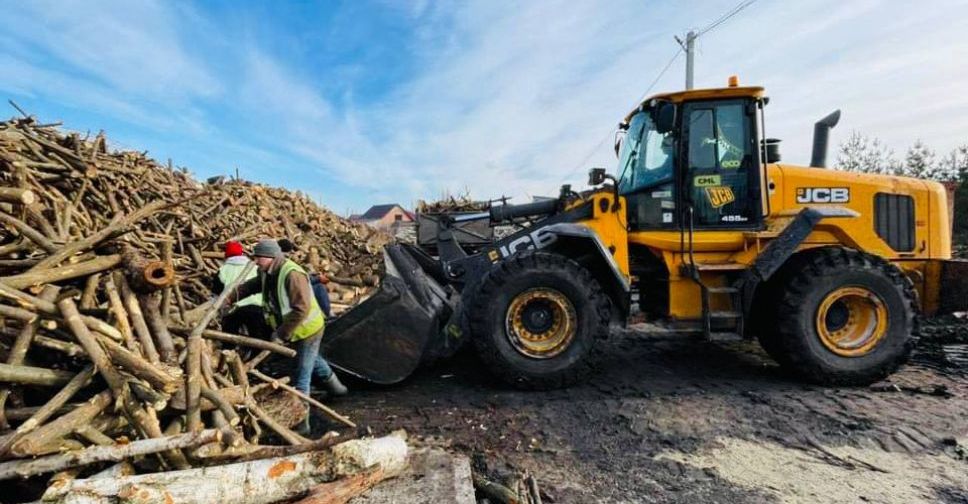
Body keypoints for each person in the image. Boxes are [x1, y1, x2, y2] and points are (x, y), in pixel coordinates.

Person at [228, 239, 347, 432]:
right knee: (311, 360)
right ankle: (338, 389)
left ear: (270, 257)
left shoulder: (292, 275)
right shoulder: (267, 271)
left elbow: (301, 309)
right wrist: (233, 295)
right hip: (295, 329)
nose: (255, 261)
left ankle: (302, 424)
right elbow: (254, 285)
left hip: (308, 330)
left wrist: (281, 333)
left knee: (301, 374)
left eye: (258, 258)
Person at [213, 241, 269, 339]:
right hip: (257, 307)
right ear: (242, 253)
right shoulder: (256, 268)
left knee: (229, 339)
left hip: (234, 308)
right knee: (259, 340)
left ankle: (227, 352)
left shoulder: (222, 270)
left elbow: (216, 293)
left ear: (226, 255)